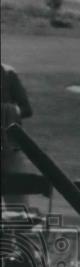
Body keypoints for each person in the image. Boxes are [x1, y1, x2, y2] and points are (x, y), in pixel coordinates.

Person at [1, 61, 35, 208]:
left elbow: (26, 109)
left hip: (10, 146)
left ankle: (20, 228)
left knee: (17, 199)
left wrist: (6, 112)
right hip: (10, 144)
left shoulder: (8, 73)